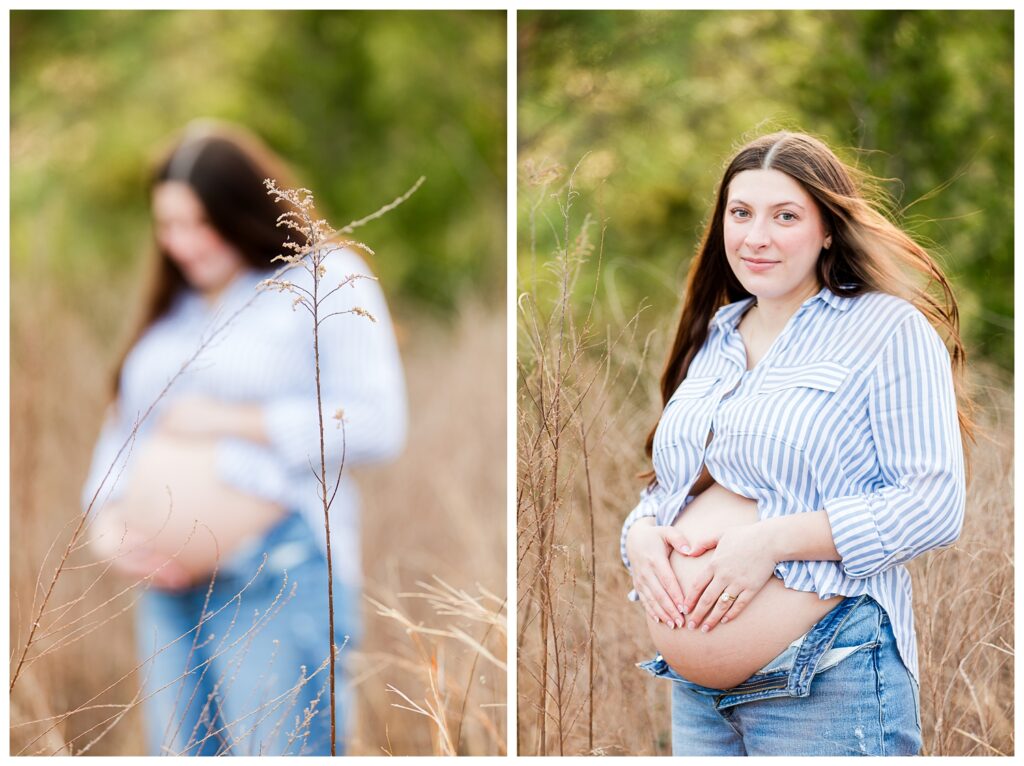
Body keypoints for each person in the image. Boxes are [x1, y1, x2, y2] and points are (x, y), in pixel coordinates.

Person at [620, 131, 970, 756]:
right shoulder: (715, 336)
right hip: (697, 701)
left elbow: (933, 502)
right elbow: (676, 489)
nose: (757, 237)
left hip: (827, 677)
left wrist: (771, 543)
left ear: (828, 229)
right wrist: (641, 537)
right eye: (741, 212)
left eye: (785, 216)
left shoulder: (886, 329)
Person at [80, 120, 407, 755]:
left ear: (244, 211)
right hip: (166, 593)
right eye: (169, 225)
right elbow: (120, 435)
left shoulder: (323, 278)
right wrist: (109, 528)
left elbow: (377, 422)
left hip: (277, 576)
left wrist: (235, 423)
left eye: (201, 224)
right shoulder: (171, 312)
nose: (183, 243)